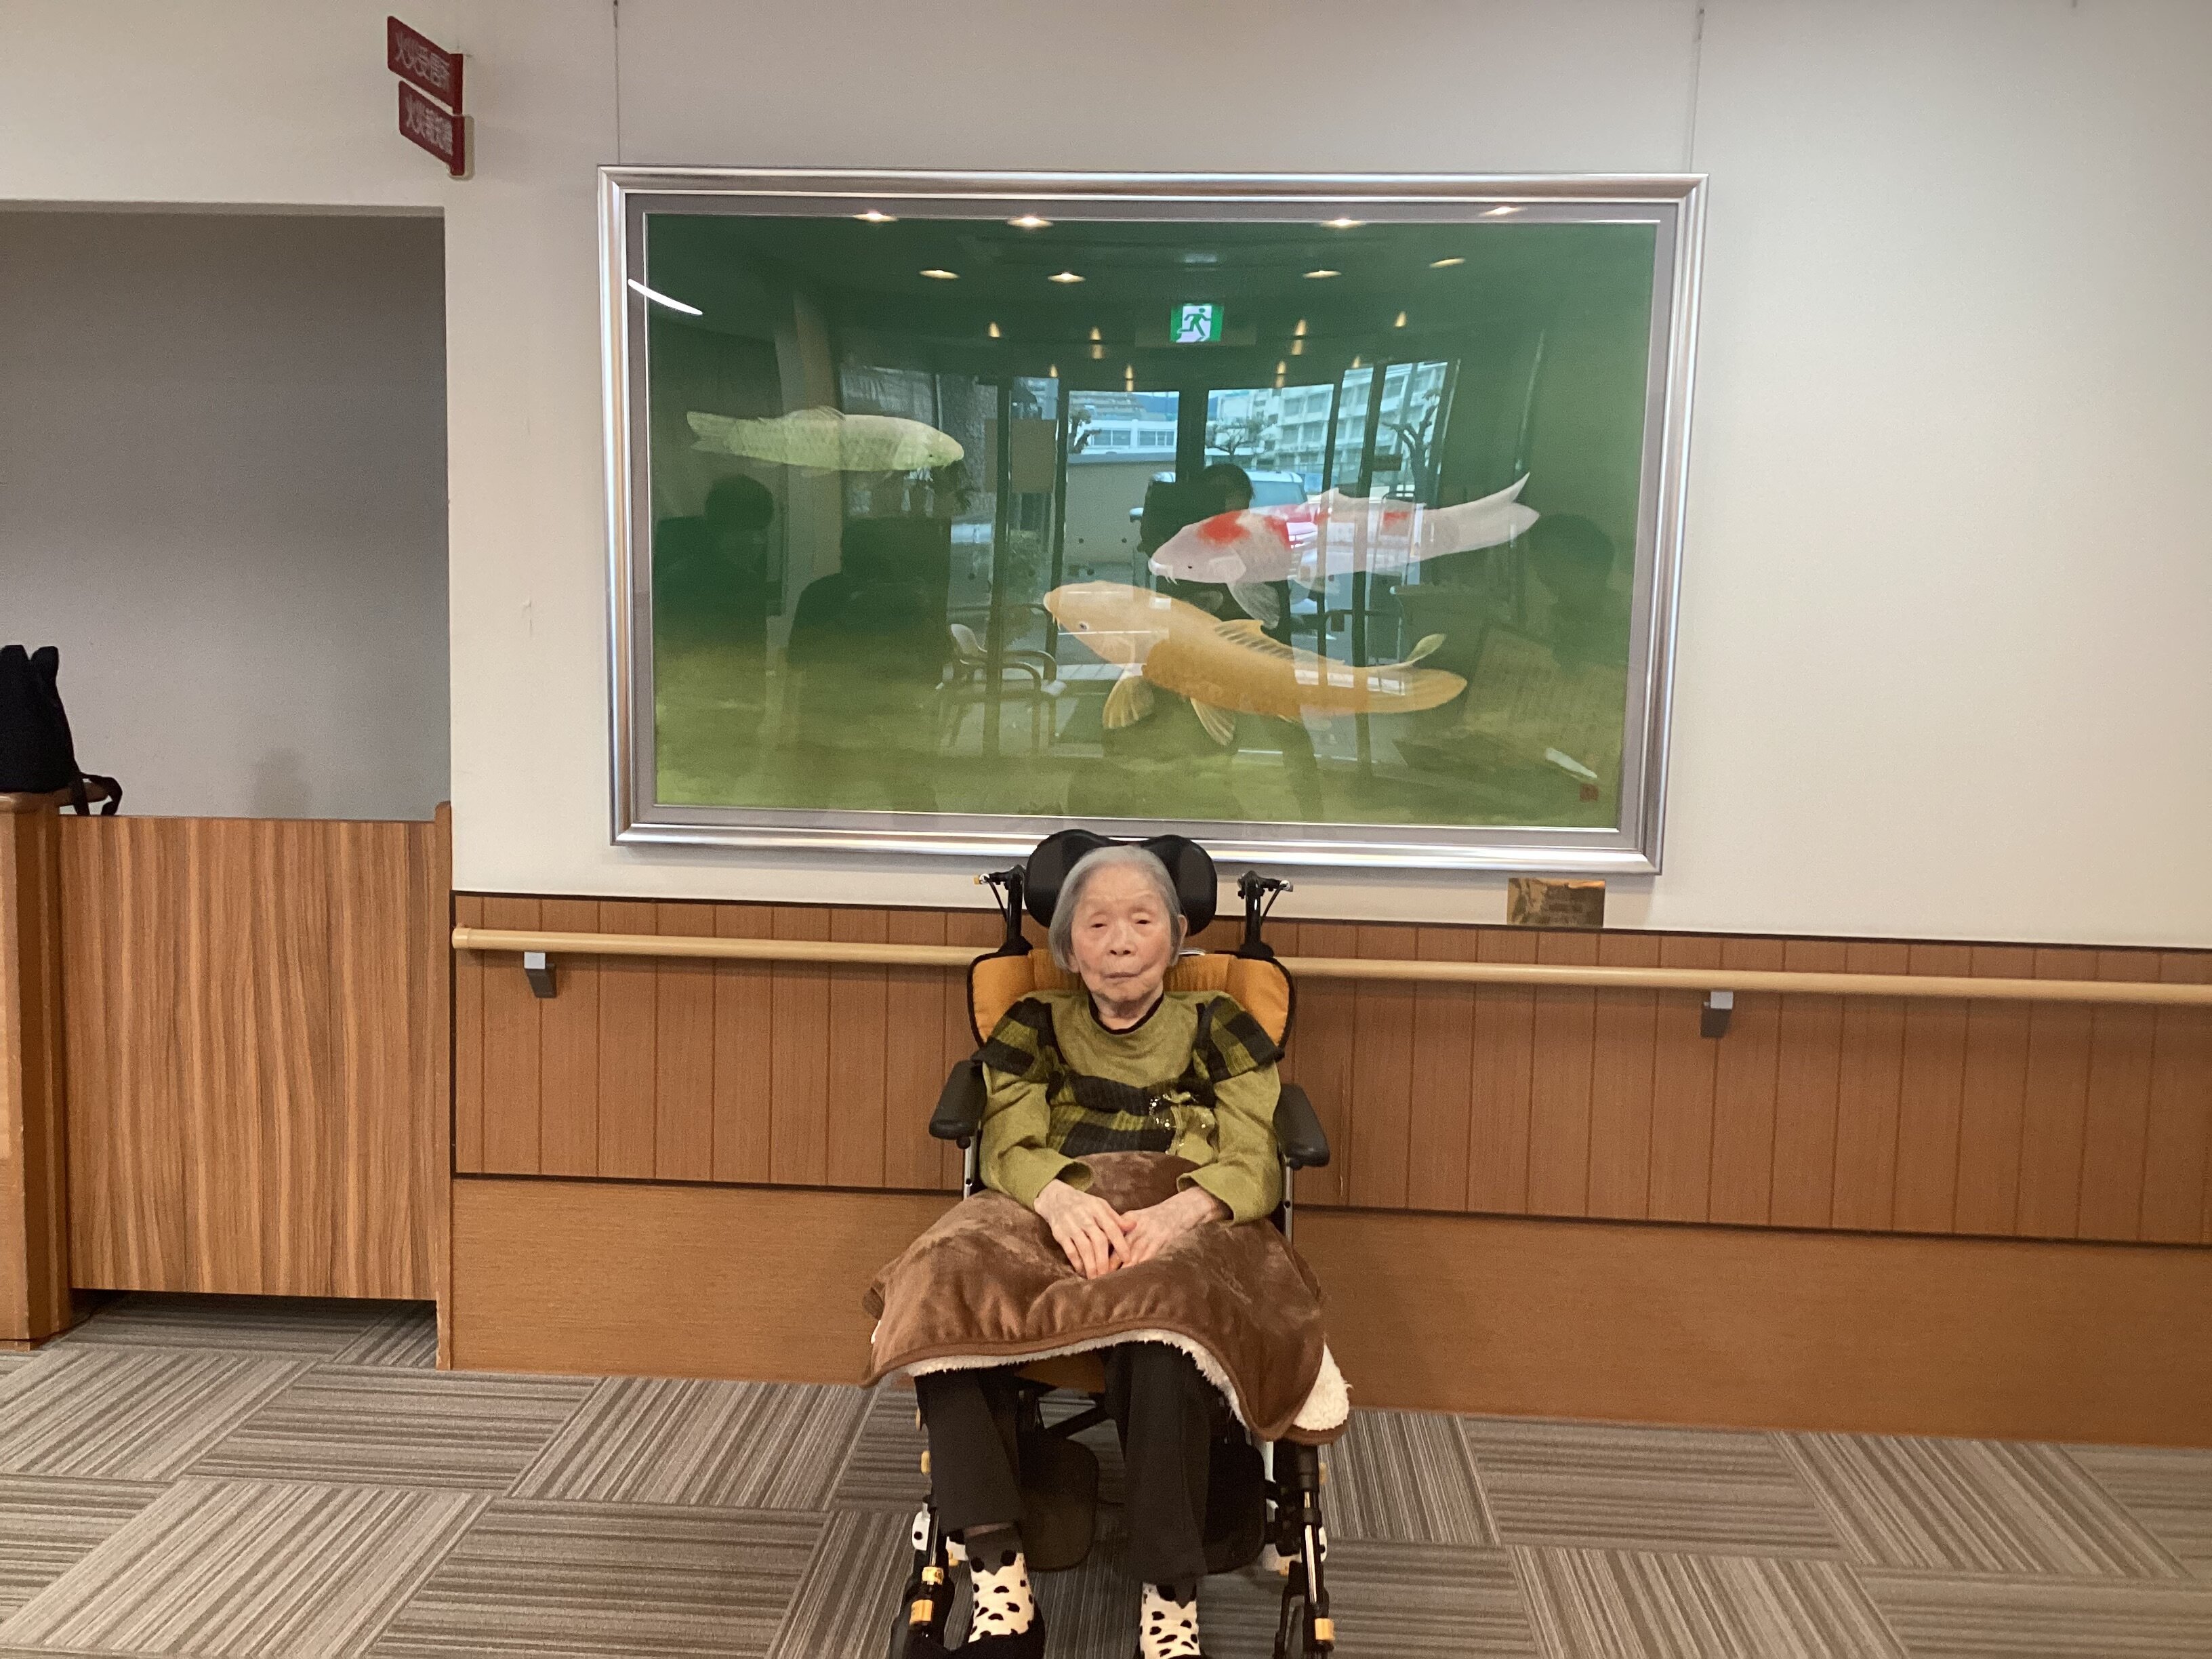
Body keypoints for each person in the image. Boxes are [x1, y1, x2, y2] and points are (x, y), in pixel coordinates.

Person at [912, 845, 1284, 1659]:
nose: (1120, 943)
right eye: (1098, 925)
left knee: (1165, 1327)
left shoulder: (1221, 1021)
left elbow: (1256, 1147)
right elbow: (1008, 1136)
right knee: (943, 1293)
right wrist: (1057, 1198)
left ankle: (1170, 1596)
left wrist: (1186, 1208)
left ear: (1176, 936)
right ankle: (1000, 1579)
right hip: (1050, 1203)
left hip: (1183, 1205)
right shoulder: (1033, 1020)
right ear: (1069, 948)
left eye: (1142, 921)